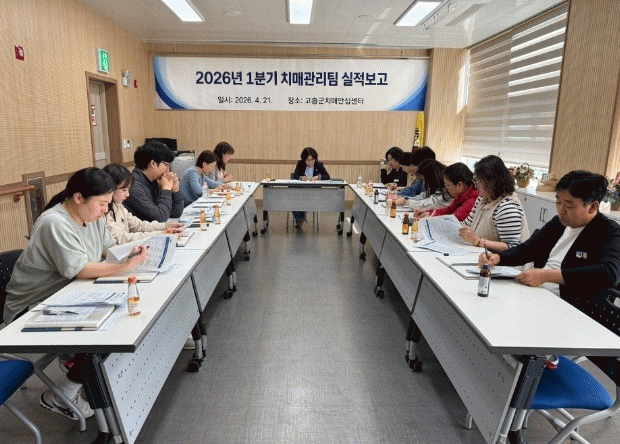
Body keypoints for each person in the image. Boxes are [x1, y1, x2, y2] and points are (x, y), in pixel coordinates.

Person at [3, 167, 148, 420]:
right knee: (107, 335)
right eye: (101, 203)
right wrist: (126, 266)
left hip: (65, 297)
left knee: (120, 323)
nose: (105, 210)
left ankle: (80, 381)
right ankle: (62, 396)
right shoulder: (54, 222)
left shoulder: (92, 218)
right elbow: (81, 270)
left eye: (108, 203)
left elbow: (107, 249)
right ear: (79, 198)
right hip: (31, 308)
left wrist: (129, 251)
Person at [479, 170, 620, 304]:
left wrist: (545, 275)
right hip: (537, 294)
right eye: (558, 202)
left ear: (592, 207)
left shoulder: (610, 232)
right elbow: (527, 249)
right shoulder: (558, 223)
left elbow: (609, 273)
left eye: (569, 205)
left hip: (569, 306)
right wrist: (498, 258)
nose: (561, 210)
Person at [459, 155, 529, 252]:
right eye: (475, 180)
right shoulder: (482, 199)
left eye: (479, 181)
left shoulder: (507, 207)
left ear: (492, 182)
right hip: (482, 253)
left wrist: (477, 241)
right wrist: (449, 225)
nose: (476, 185)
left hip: (502, 259)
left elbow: (512, 247)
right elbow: (468, 224)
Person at [104, 163, 184, 243]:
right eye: (124, 190)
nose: (127, 194)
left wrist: (166, 226)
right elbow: (122, 237)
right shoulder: (103, 212)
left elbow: (139, 225)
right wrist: (162, 234)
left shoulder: (118, 206)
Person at [123, 140, 184, 222]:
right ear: (153, 164)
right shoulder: (134, 185)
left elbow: (175, 213)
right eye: (166, 164)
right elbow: (160, 217)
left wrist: (175, 191)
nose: (168, 169)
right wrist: (166, 189)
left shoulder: (154, 181)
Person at [292, 147, 330, 228]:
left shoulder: (319, 165)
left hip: (314, 192)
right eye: (307, 160)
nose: (310, 162)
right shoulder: (300, 164)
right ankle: (300, 219)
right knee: (292, 199)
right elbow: (295, 175)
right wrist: (301, 178)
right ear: (304, 159)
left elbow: (327, 176)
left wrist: (318, 177)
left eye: (312, 160)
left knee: (303, 199)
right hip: (301, 191)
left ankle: (301, 218)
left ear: (315, 159)